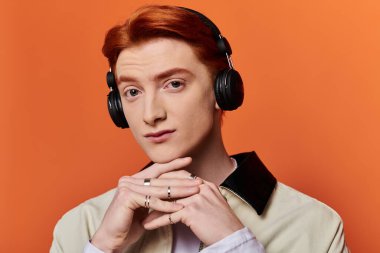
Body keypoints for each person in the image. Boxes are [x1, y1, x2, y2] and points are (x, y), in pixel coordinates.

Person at [50, 5, 349, 253]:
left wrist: (237, 246)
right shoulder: (84, 227)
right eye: (132, 92)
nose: (151, 114)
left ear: (222, 91)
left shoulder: (315, 226)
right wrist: (103, 247)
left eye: (174, 84)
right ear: (117, 106)